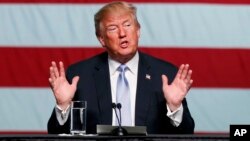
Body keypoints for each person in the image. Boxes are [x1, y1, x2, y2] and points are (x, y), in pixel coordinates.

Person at [47, 1, 194, 134]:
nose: (122, 33)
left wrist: (175, 108)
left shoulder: (165, 74)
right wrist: (63, 106)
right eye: (112, 28)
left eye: (128, 25)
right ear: (101, 39)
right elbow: (55, 134)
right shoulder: (80, 76)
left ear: (138, 31)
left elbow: (187, 133)